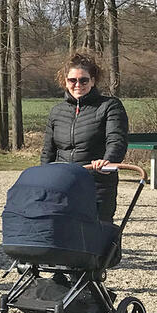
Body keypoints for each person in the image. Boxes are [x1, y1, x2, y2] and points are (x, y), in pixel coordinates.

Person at [40, 49, 129, 222]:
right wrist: (44, 178)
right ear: (65, 82)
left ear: (93, 81)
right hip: (63, 183)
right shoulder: (57, 111)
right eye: (72, 80)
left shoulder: (110, 106)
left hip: (96, 183)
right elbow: (48, 151)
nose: (78, 85)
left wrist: (107, 161)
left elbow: (116, 140)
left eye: (83, 80)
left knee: (97, 232)